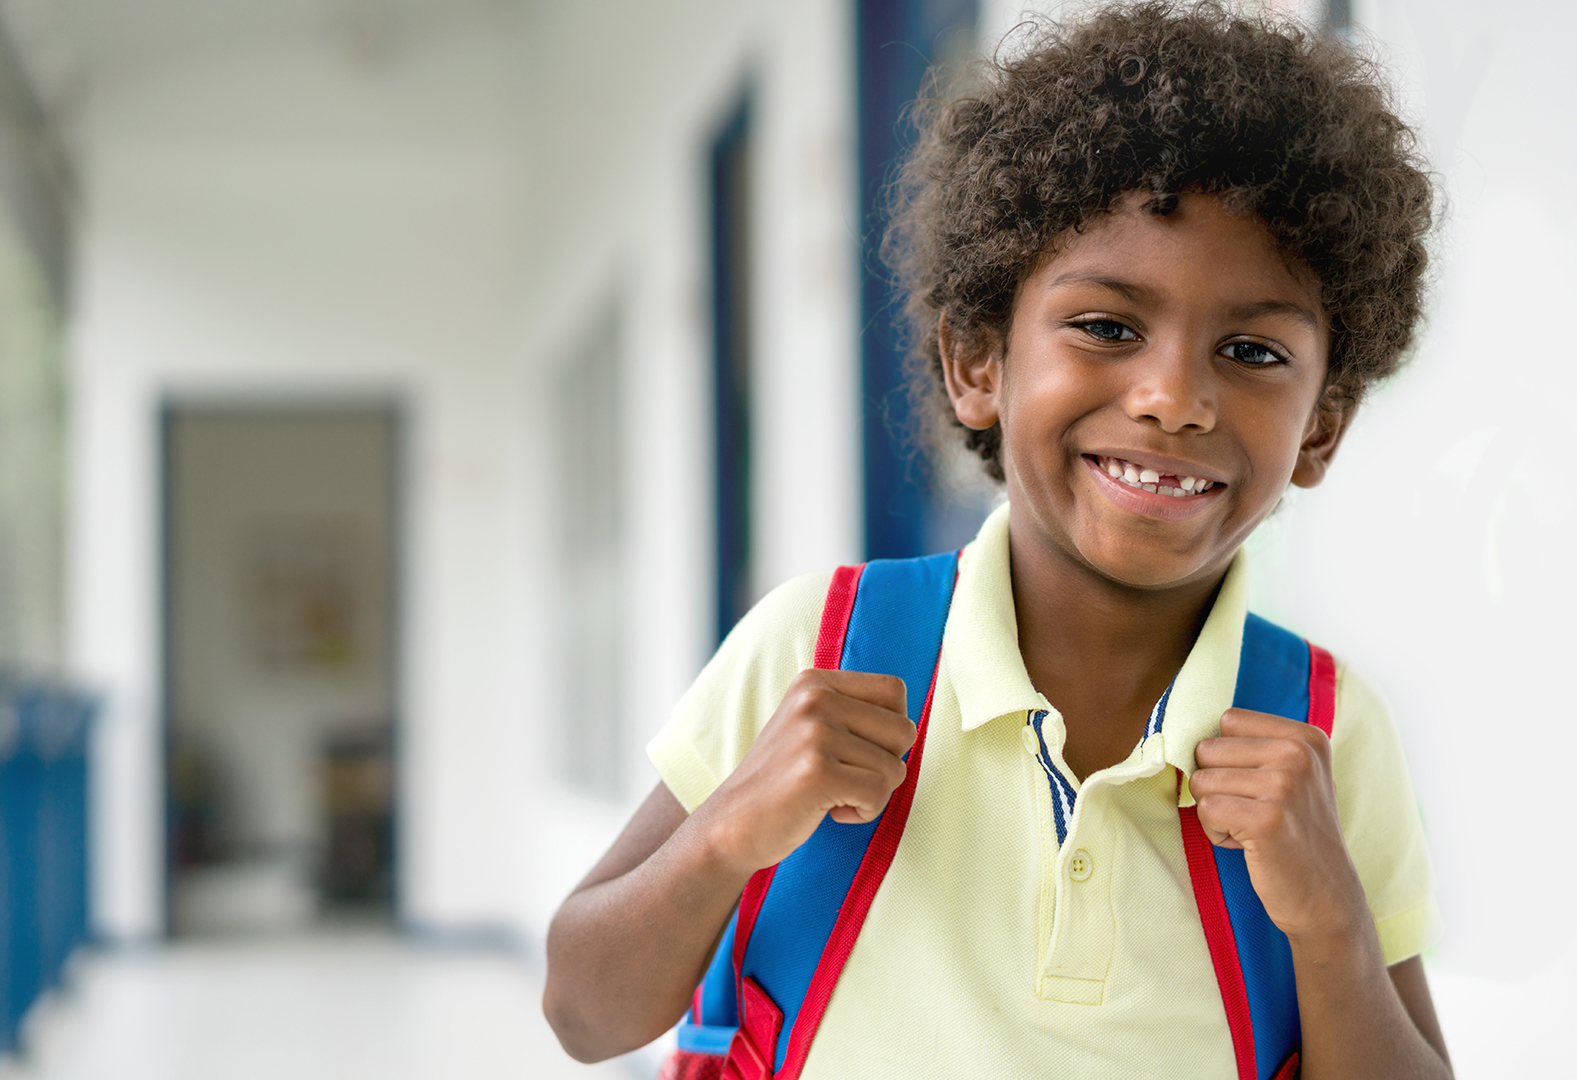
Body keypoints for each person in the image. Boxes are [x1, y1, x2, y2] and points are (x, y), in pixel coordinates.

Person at [543, 3, 1448, 1077]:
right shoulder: (821, 646)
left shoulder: (1328, 736)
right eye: (1108, 327)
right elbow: (583, 1015)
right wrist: (732, 827)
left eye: (1252, 350)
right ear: (979, 363)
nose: (1174, 398)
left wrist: (1333, 924)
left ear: (1323, 427)